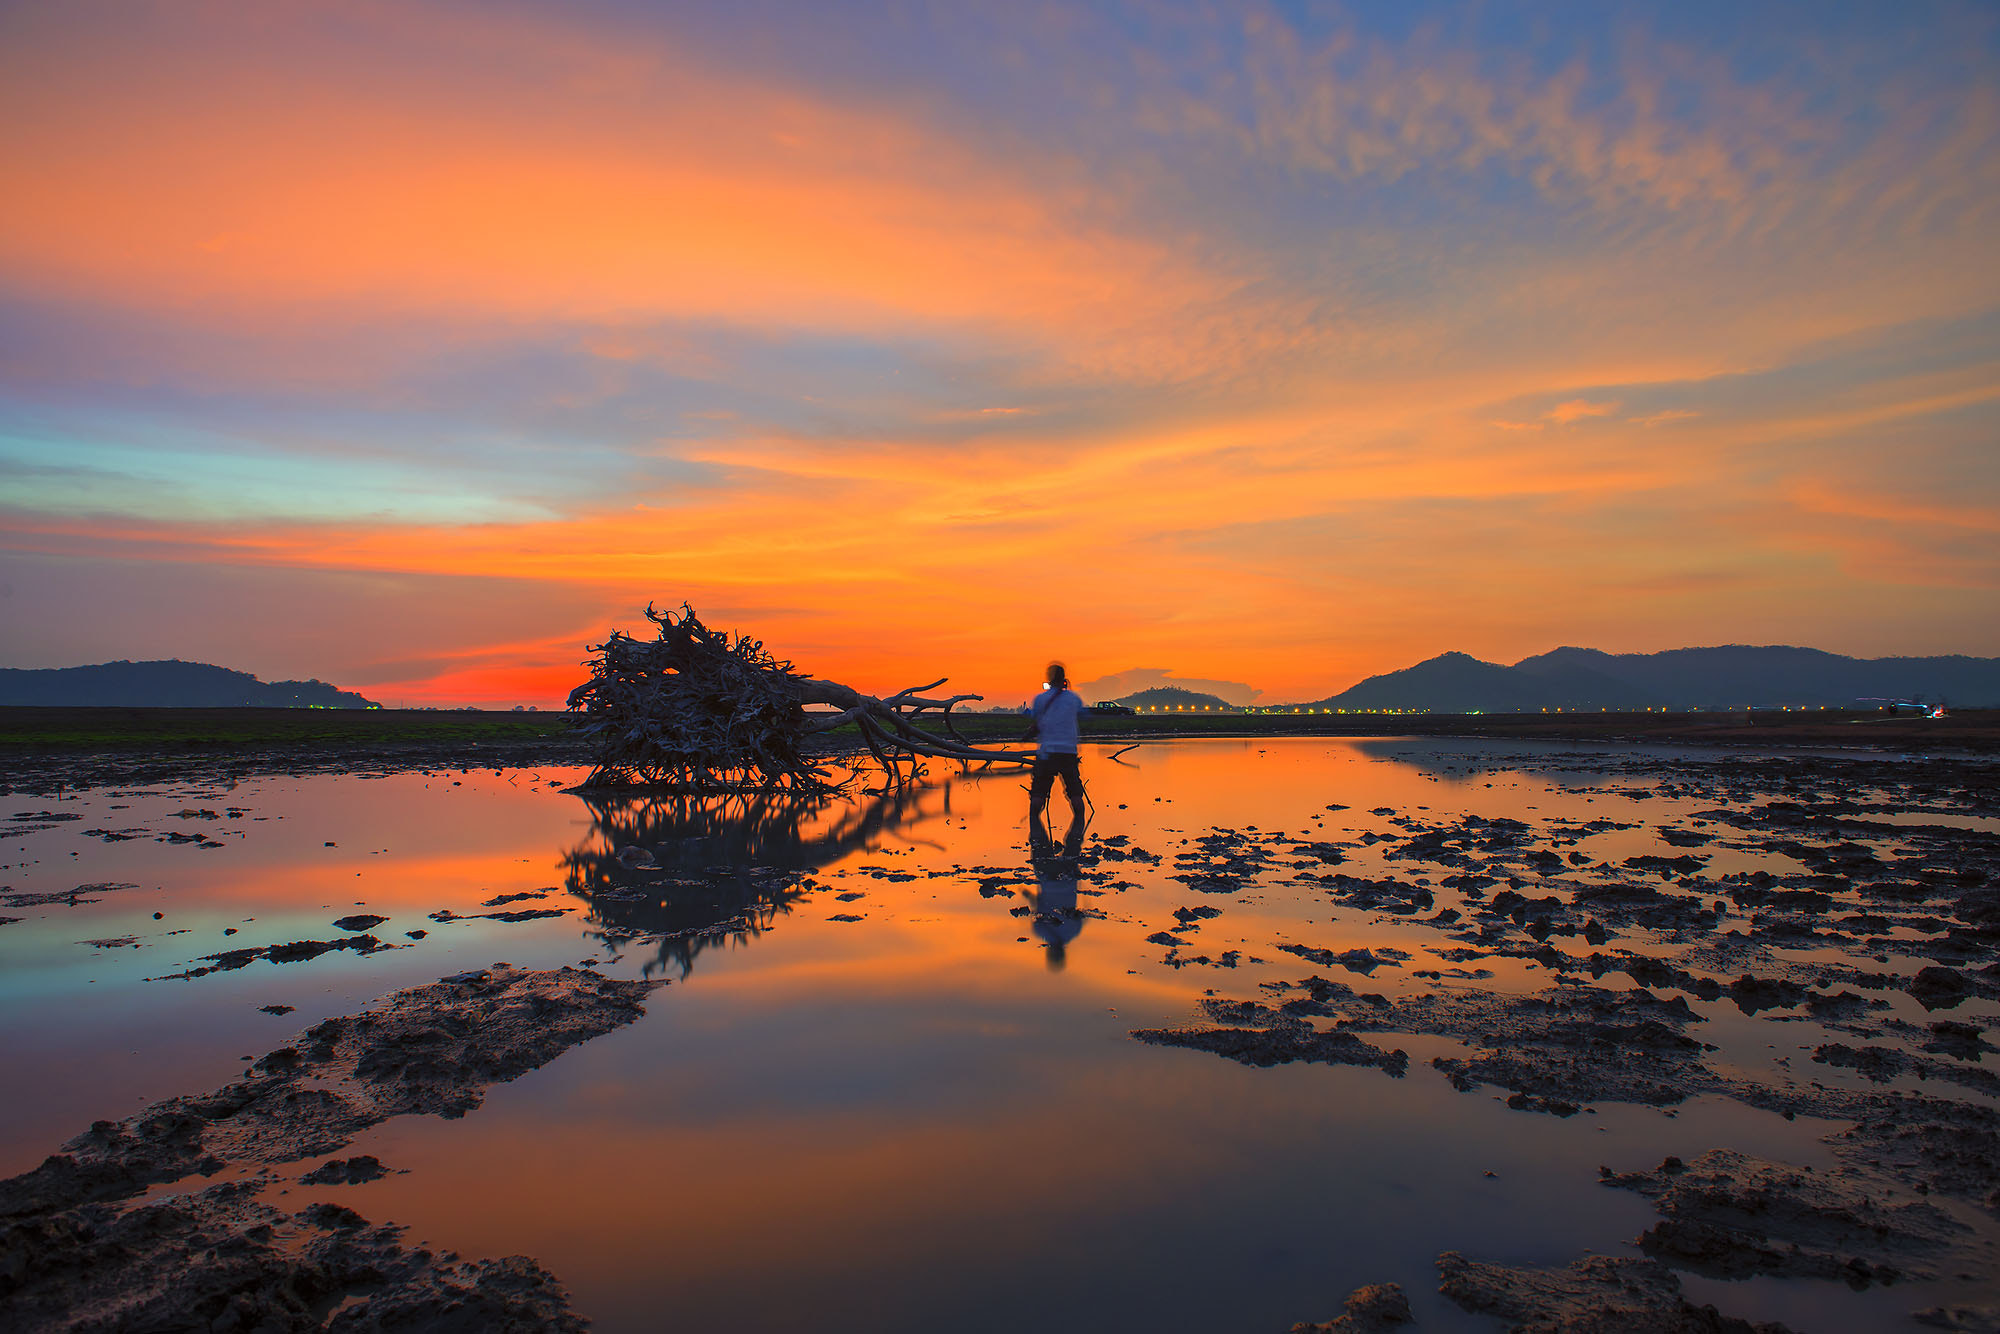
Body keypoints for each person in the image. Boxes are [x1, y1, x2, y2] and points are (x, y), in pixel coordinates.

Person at [1027, 661, 1088, 835]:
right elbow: (1081, 715)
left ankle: (1036, 835)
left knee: (1038, 792)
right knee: (1075, 791)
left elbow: (1036, 720)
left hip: (1047, 753)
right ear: (1063, 679)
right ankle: (1077, 834)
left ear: (1049, 678)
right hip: (1068, 752)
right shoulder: (1074, 699)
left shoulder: (1040, 699)